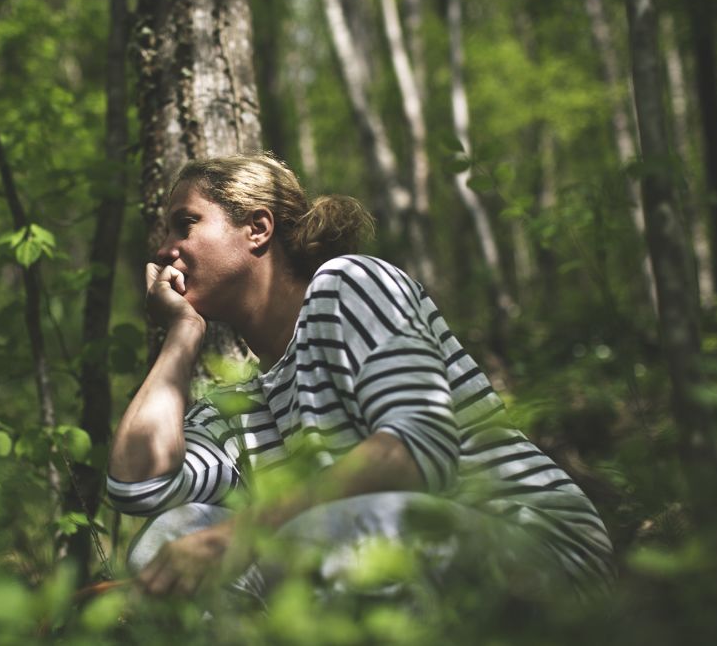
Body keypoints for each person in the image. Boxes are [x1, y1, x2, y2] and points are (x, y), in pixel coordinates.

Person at [106, 154, 613, 603]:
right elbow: (140, 489)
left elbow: (419, 451)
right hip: (373, 555)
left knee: (328, 531)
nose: (164, 250)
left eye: (184, 224)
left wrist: (235, 535)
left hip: (534, 544)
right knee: (165, 539)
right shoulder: (235, 407)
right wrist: (182, 334)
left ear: (257, 228)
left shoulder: (349, 284)